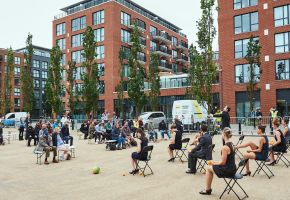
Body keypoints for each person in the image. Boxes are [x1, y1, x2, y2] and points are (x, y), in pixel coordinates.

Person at [200, 128, 236, 195]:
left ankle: (207, 189)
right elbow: (226, 160)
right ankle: (208, 189)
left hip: (228, 170)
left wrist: (214, 163)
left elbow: (223, 162)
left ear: (224, 135)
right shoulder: (232, 144)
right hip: (233, 168)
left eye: (222, 134)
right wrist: (215, 163)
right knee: (210, 165)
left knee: (208, 167)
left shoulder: (225, 147)